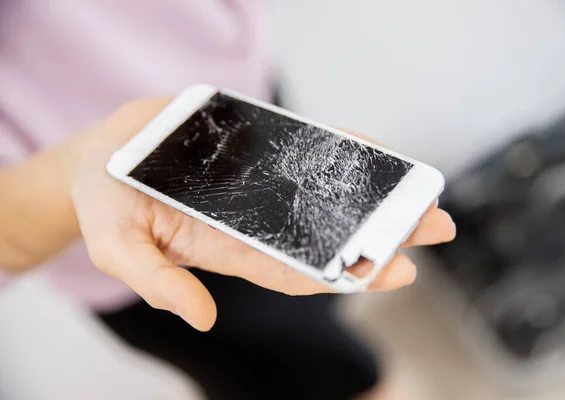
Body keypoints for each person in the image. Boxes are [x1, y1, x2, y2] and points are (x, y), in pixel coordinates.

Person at [0, 1, 455, 399]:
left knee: (327, 293)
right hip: (130, 240)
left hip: (246, 111)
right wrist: (79, 163)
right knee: (315, 373)